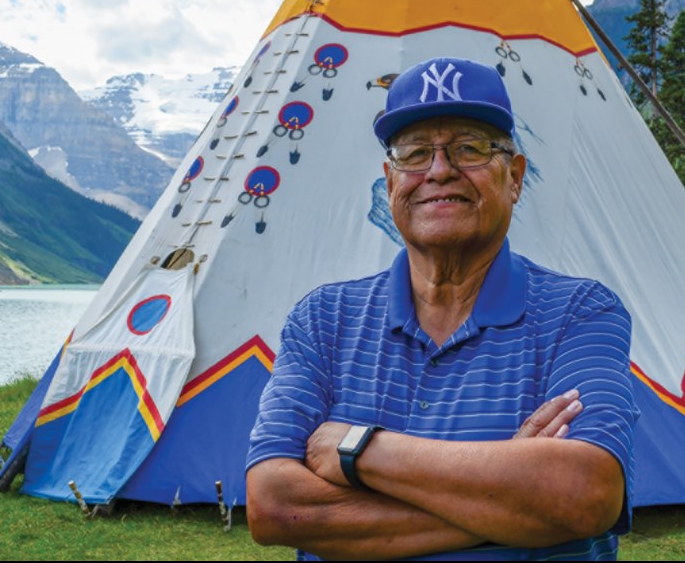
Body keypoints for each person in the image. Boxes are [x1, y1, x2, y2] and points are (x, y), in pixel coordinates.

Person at [245, 56, 638, 560]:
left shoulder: (580, 312)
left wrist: (358, 449)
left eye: (469, 149)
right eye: (414, 154)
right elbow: (275, 507)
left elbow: (585, 494)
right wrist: (512, 498)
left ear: (515, 177)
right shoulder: (322, 319)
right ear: (390, 183)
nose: (439, 171)